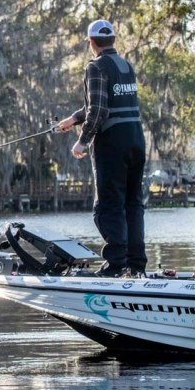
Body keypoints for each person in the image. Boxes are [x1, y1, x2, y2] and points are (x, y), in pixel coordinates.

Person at [54, 19, 147, 277]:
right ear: (113, 40)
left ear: (91, 42)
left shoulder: (95, 67)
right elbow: (100, 103)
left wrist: (82, 141)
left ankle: (115, 266)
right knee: (132, 204)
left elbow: (98, 110)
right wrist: (72, 120)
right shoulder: (126, 66)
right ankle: (136, 265)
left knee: (107, 207)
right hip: (136, 141)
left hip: (112, 143)